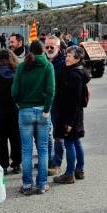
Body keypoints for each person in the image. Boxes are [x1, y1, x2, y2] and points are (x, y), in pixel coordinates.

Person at [11, 40, 55, 195]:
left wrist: (19, 104)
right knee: (43, 149)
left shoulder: (23, 66)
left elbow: (14, 90)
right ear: (43, 51)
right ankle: (42, 184)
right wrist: (47, 109)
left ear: (30, 51)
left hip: (25, 110)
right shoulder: (48, 66)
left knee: (26, 150)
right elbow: (51, 90)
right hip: (42, 110)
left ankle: (27, 185)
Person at [53, 46, 91, 184]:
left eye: (70, 56)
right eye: (67, 55)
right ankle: (79, 170)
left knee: (69, 142)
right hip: (74, 114)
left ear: (78, 58)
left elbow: (74, 101)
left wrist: (69, 122)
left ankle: (69, 174)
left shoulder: (75, 75)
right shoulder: (76, 71)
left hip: (70, 115)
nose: (66, 58)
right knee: (76, 141)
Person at [0, 49, 21, 174]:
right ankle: (16, 163)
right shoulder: (17, 70)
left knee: (1, 138)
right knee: (16, 136)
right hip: (15, 108)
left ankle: (4, 164)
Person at [46, 36, 66, 175]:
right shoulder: (43, 61)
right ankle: (47, 161)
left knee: (58, 134)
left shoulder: (64, 63)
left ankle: (57, 163)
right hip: (45, 102)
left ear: (58, 48)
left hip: (59, 103)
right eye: (47, 47)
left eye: (52, 47)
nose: (49, 49)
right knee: (45, 134)